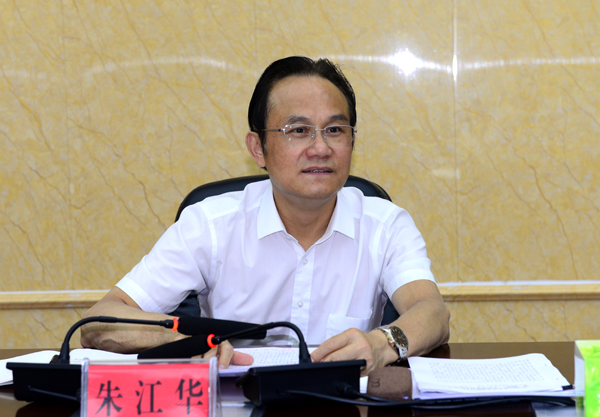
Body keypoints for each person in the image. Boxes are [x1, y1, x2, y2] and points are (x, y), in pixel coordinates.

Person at [81, 56, 450, 375]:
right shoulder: (210, 225)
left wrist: (382, 344)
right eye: (299, 131)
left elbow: (432, 312)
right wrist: (183, 342)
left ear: (352, 141)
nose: (320, 148)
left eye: (335, 130)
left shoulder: (385, 224)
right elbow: (99, 322)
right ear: (258, 148)